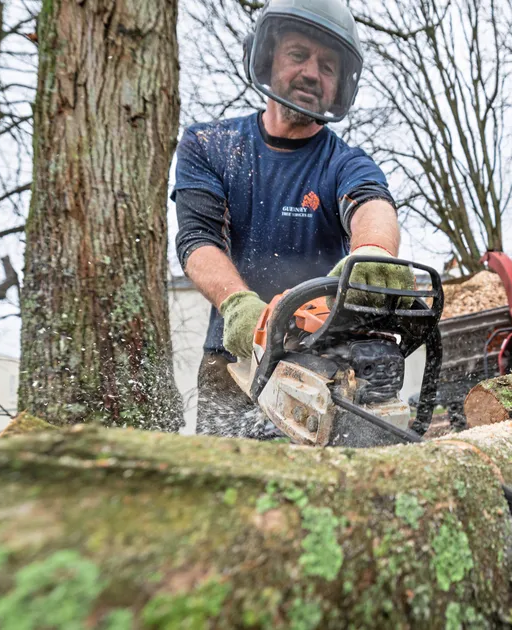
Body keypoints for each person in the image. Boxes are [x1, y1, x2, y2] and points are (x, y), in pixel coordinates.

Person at [171, 0, 412, 437]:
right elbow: (197, 239)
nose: (311, 73)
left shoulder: (344, 162)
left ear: (340, 84)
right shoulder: (210, 146)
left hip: (326, 358)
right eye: (298, 55)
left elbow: (372, 204)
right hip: (235, 356)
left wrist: (374, 254)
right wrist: (238, 306)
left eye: (327, 67)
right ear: (268, 57)